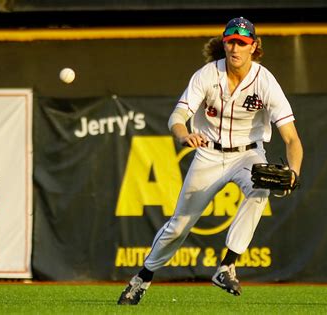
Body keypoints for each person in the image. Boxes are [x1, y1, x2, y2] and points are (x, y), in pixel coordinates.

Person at [117, 17, 303, 305]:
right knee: (180, 225)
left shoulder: (264, 81)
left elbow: (291, 138)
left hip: (248, 153)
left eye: (242, 42)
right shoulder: (207, 75)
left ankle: (227, 265)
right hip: (209, 154)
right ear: (224, 43)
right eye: (231, 41)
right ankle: (143, 277)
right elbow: (177, 117)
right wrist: (182, 135)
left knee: (260, 188)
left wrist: (294, 171)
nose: (235, 48)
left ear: (253, 46)